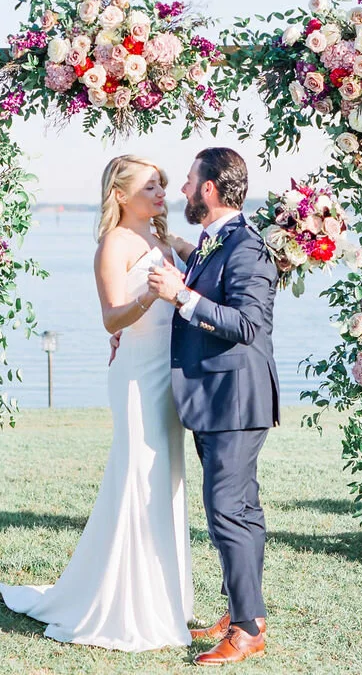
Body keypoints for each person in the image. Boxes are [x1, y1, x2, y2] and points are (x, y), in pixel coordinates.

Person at [0, 154, 195, 652]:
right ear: (120, 195)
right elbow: (111, 318)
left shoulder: (163, 240)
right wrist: (151, 298)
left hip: (168, 370)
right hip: (137, 374)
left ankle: (165, 597)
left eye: (162, 184)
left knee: (166, 478)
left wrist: (183, 252)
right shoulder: (113, 244)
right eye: (150, 186)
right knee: (138, 477)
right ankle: (127, 604)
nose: (162, 193)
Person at [146, 147, 280, 666]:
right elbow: (211, 282)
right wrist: (180, 253)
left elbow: (247, 324)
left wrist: (180, 296)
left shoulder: (248, 247)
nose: (181, 189)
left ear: (209, 188)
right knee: (241, 509)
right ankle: (245, 612)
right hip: (216, 398)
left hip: (235, 400)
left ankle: (246, 630)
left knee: (227, 511)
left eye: (187, 181)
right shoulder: (214, 240)